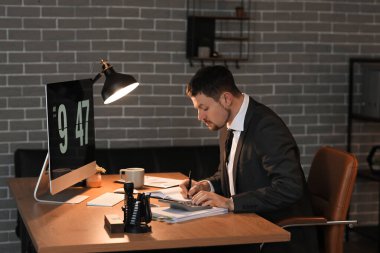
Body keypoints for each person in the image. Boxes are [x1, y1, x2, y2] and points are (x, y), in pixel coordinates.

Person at [179, 66, 319, 253]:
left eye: (204, 108)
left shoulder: (267, 128)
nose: (200, 117)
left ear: (226, 99)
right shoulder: (227, 124)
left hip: (278, 234)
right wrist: (206, 186)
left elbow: (289, 187)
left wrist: (230, 203)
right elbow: (228, 173)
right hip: (245, 225)